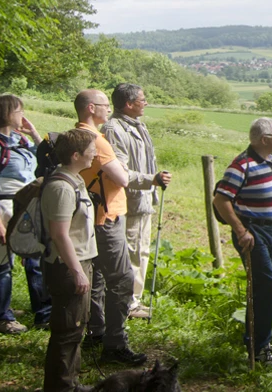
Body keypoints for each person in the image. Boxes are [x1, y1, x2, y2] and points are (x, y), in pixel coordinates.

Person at [72, 89, 143, 365]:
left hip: (94, 216)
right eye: (103, 105)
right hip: (106, 218)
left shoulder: (78, 134)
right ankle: (114, 343)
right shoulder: (97, 141)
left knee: (99, 278)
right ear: (91, 108)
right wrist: (128, 171)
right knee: (122, 279)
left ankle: (97, 331)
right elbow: (122, 177)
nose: (107, 109)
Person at [0, 94, 50, 333]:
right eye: (19, 111)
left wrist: (34, 133)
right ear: (6, 113)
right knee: (2, 263)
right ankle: (1, 316)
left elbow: (45, 156)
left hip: (27, 208)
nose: (22, 116)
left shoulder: (19, 140)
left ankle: (44, 314)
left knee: (34, 259)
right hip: (4, 207)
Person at [212, 117, 272, 367]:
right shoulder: (241, 165)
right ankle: (260, 349)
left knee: (264, 289)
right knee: (266, 290)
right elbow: (220, 200)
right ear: (264, 139)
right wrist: (241, 231)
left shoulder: (267, 160)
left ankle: (257, 343)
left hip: (271, 232)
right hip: (253, 234)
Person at [102, 83, 171, 320]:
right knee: (130, 253)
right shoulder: (113, 129)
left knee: (141, 251)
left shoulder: (138, 125)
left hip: (143, 200)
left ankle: (134, 301)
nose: (146, 103)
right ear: (129, 104)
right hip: (129, 202)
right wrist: (151, 180)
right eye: (142, 100)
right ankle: (127, 304)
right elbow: (119, 171)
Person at [41, 128, 100, 392]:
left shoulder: (73, 180)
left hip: (75, 263)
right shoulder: (61, 188)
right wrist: (77, 271)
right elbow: (59, 234)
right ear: (76, 155)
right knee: (67, 332)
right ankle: (61, 387)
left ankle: (70, 384)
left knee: (76, 329)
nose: (94, 155)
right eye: (90, 151)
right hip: (67, 266)